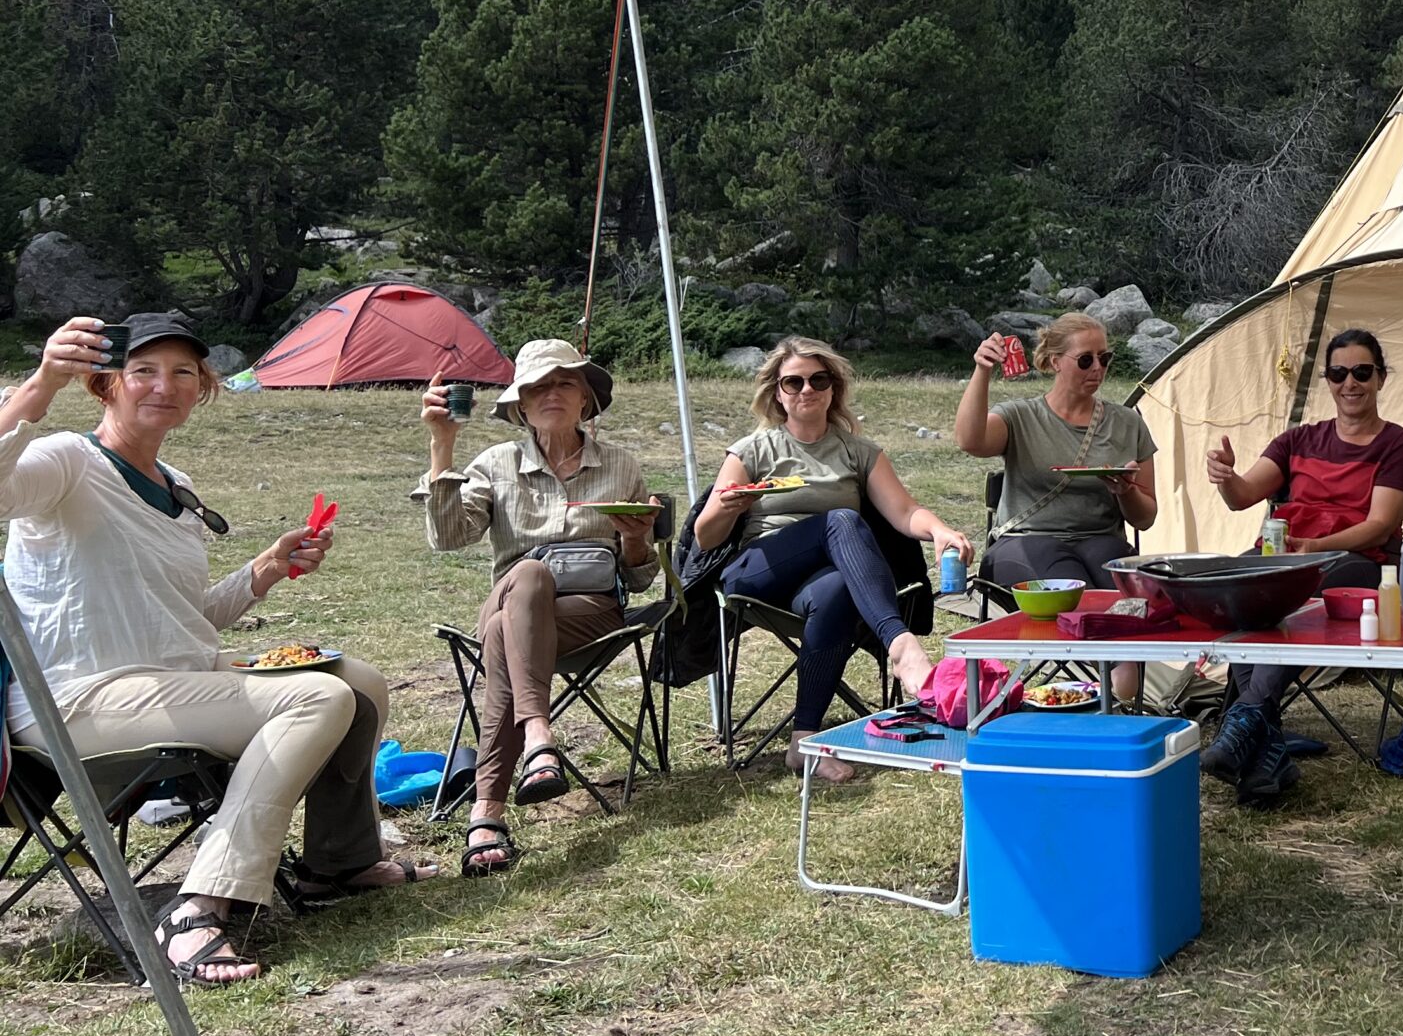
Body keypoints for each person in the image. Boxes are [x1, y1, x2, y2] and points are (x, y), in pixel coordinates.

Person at [3, 314, 424, 987]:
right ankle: (199, 906)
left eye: (183, 372)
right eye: (143, 370)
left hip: (165, 685)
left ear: (202, 388)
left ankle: (336, 863)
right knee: (314, 697)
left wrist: (265, 569)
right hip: (75, 701)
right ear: (106, 383)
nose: (163, 386)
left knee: (361, 680)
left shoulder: (175, 481)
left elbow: (185, 619)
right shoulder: (66, 462)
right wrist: (41, 384)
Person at [419, 338, 658, 879]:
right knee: (527, 574)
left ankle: (487, 814)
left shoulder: (620, 466)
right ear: (520, 405)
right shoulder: (495, 464)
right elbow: (450, 537)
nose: (552, 392)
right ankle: (540, 737)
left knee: (506, 632)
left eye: (564, 382)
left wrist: (638, 542)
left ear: (585, 401)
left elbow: (639, 578)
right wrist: (442, 447)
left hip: (592, 615)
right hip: (515, 597)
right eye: (538, 386)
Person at [691, 337, 973, 778]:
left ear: (833, 387)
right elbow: (704, 538)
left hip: (818, 579)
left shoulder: (858, 451)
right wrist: (726, 508)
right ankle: (899, 644)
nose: (807, 389)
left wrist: (939, 529)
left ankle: (804, 742)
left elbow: (903, 511)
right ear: (777, 392)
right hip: (758, 570)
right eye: (794, 381)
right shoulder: (752, 450)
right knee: (840, 520)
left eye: (818, 379)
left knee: (839, 588)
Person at [1197, 327, 1403, 806]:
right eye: (1339, 373)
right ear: (1327, 379)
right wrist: (1225, 476)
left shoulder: (1399, 445)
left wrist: (1316, 547)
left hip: (1360, 563)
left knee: (1289, 597)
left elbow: (1380, 526)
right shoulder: (1299, 439)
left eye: (1362, 372)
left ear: (1381, 378)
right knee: (1234, 586)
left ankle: (1246, 719)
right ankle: (1264, 749)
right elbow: (1242, 497)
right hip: (1288, 556)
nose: (1350, 383)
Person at [956, 311, 1158, 704]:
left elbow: (1145, 517)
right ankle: (1102, 696)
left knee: (1130, 599)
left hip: (1100, 539)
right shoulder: (1020, 416)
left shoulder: (1127, 424)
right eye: (1086, 359)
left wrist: (1125, 491)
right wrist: (982, 372)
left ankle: (1114, 699)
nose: (1097, 368)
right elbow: (970, 440)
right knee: (1074, 595)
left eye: (1105, 358)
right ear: (1053, 362)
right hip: (1027, 540)